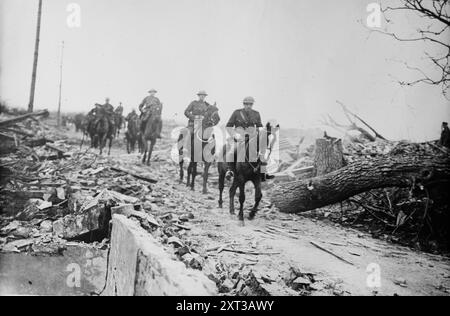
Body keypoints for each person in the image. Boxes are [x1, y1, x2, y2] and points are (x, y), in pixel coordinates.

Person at [226, 96, 274, 181]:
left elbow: (259, 127)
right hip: (240, 137)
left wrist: (261, 134)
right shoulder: (237, 113)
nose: (248, 106)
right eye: (247, 104)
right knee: (232, 151)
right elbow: (229, 126)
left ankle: (264, 173)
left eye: (250, 104)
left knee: (263, 152)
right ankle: (230, 171)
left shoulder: (256, 113)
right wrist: (235, 135)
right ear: (244, 104)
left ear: (252, 105)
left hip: (253, 137)